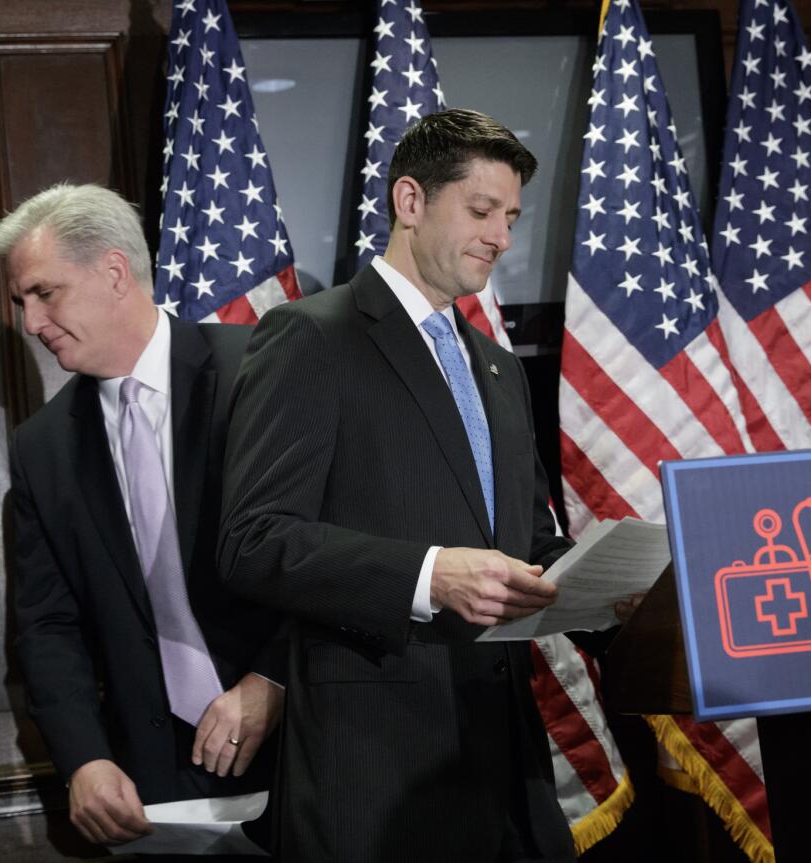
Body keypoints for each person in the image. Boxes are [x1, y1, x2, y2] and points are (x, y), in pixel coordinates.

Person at [218, 109, 577, 862]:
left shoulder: (499, 368)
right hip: (377, 773)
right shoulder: (312, 336)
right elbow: (254, 539)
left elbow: (529, 543)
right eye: (481, 211)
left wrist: (619, 591)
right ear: (409, 202)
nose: (502, 237)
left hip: (509, 771)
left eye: (511, 217)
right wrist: (427, 575)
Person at [0, 183, 282, 849]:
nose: (31, 322)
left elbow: (328, 550)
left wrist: (275, 679)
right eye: (21, 302)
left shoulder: (258, 371)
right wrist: (84, 759)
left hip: (303, 756)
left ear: (114, 271)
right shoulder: (42, 446)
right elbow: (47, 625)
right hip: (151, 791)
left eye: (45, 293)